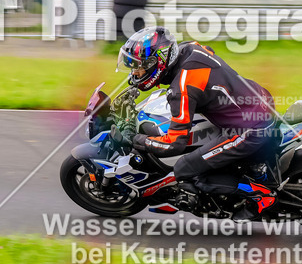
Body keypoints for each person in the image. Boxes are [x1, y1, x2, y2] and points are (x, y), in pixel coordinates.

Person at [118, 26, 278, 219]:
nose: (136, 72)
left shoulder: (181, 89)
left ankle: (261, 195)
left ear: (157, 62)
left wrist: (139, 140)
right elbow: (209, 50)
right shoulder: (190, 48)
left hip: (249, 128)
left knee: (186, 168)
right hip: (258, 97)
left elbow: (175, 144)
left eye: (140, 66)